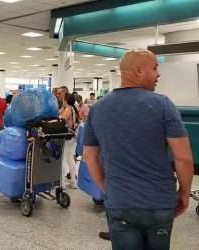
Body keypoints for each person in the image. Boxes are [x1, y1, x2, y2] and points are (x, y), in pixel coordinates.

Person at [83, 49, 194, 250]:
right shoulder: (163, 105)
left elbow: (89, 157)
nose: (158, 74)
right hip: (159, 201)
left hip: (120, 202)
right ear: (138, 71)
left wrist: (108, 189)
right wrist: (184, 194)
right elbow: (183, 158)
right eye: (154, 68)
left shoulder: (97, 109)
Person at [60, 93, 79, 189]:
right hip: (73, 137)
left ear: (66, 100)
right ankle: (73, 182)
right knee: (70, 159)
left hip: (67, 137)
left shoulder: (68, 109)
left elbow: (61, 121)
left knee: (63, 159)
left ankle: (62, 183)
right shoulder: (74, 108)